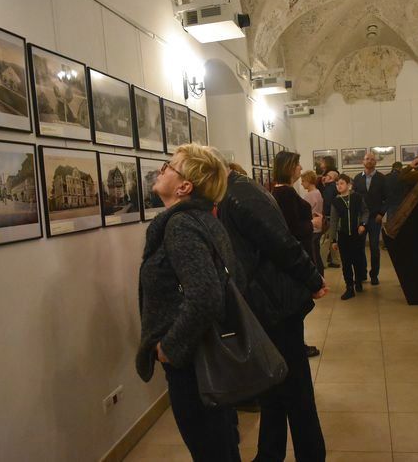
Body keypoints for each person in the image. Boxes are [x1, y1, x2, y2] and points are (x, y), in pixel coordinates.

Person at [216, 153, 328, 462]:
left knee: (296, 390)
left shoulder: (239, 194)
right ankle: (269, 453)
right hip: (265, 304)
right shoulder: (233, 193)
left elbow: (282, 244)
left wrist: (312, 278)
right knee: (273, 387)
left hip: (277, 305)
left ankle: (310, 455)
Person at [135, 144, 241, 461]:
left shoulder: (181, 225)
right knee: (221, 446)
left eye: (170, 166)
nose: (162, 169)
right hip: (204, 354)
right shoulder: (201, 219)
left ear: (184, 187)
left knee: (211, 451)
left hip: (194, 361)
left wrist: (169, 347)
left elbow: (206, 294)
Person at [272, 152, 323, 360]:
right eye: (298, 164)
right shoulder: (285, 193)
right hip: (296, 257)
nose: (301, 168)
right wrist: (312, 223)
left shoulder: (283, 192)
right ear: (289, 167)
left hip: (297, 256)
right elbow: (292, 230)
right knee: (296, 308)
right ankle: (296, 347)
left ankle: (297, 345)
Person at [328, 174, 368, 300]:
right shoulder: (336, 201)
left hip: (356, 234)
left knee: (357, 260)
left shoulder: (357, 197)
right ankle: (349, 287)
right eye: (337, 184)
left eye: (341, 183)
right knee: (346, 262)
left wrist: (363, 224)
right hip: (343, 235)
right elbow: (333, 221)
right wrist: (333, 239)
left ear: (349, 185)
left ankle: (358, 281)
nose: (339, 186)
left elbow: (365, 211)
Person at [352, 152, 387, 285]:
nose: (369, 161)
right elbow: (354, 198)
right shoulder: (357, 178)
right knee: (359, 247)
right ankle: (362, 274)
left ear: (375, 162)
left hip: (375, 218)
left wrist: (381, 213)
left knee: (374, 248)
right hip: (361, 219)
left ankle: (374, 275)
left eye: (372, 159)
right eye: (367, 159)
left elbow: (387, 199)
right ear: (363, 161)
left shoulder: (381, 178)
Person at [301, 170, 325, 278]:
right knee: (316, 254)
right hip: (317, 228)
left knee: (314, 256)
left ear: (308, 180)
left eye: (303, 181)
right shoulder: (318, 192)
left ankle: (319, 278)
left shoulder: (310, 195)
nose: (301, 183)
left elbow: (305, 213)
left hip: (313, 228)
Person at [321, 170, 341, 268]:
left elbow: (328, 203)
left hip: (329, 217)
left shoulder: (329, 188)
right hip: (334, 217)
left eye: (327, 175)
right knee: (333, 239)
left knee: (325, 241)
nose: (325, 177)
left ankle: (321, 263)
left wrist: (325, 215)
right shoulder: (334, 187)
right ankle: (335, 261)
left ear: (331, 178)